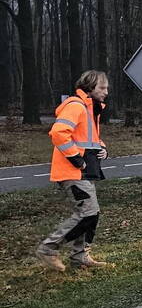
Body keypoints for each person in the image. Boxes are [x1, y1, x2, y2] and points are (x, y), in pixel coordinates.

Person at [35, 71, 114, 271]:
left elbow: (89, 138)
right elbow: (58, 133)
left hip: (83, 173)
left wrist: (102, 148)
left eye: (106, 87)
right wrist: (77, 160)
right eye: (102, 87)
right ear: (90, 87)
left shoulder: (90, 109)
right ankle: (48, 248)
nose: (106, 91)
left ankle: (80, 257)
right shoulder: (76, 106)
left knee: (91, 214)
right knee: (88, 213)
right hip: (73, 173)